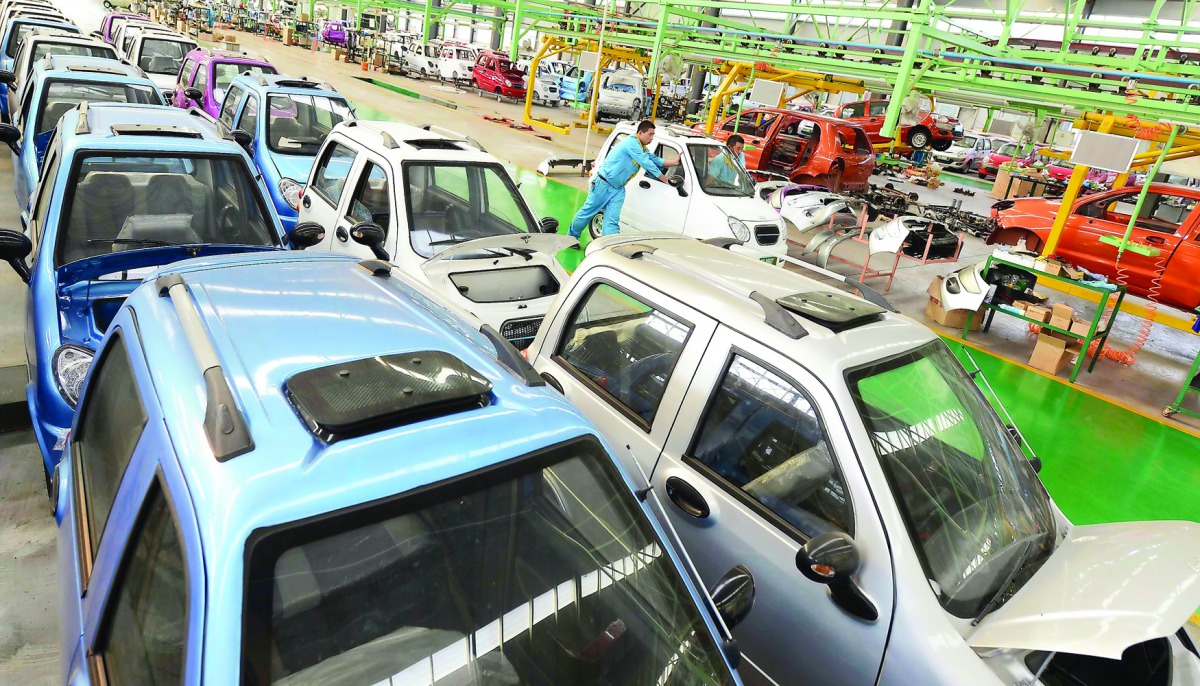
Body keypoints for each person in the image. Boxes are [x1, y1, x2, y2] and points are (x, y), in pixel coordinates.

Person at [568, 120, 681, 239]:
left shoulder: (642, 148)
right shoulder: (632, 143)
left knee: (612, 221)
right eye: (650, 134)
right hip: (603, 184)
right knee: (587, 213)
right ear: (641, 133)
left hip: (618, 189)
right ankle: (571, 237)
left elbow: (654, 159)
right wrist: (666, 180)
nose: (652, 138)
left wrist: (674, 162)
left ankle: (608, 248)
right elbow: (647, 163)